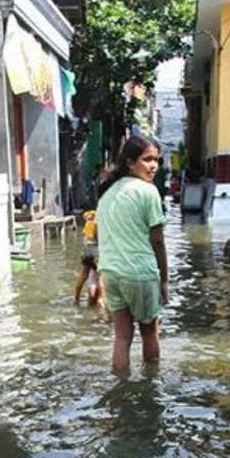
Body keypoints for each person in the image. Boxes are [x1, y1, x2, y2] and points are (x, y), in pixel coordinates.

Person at [96, 136, 169, 375]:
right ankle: (152, 386)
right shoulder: (148, 191)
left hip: (111, 273)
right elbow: (157, 240)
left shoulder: (107, 194)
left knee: (122, 337)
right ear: (130, 162)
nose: (154, 166)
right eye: (147, 159)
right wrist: (165, 280)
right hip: (139, 272)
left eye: (156, 160)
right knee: (149, 331)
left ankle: (121, 388)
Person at [74, 210, 103, 307]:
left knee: (82, 276)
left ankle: (76, 299)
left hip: (87, 250)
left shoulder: (88, 224)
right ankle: (101, 301)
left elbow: (88, 238)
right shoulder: (98, 223)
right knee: (100, 278)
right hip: (97, 251)